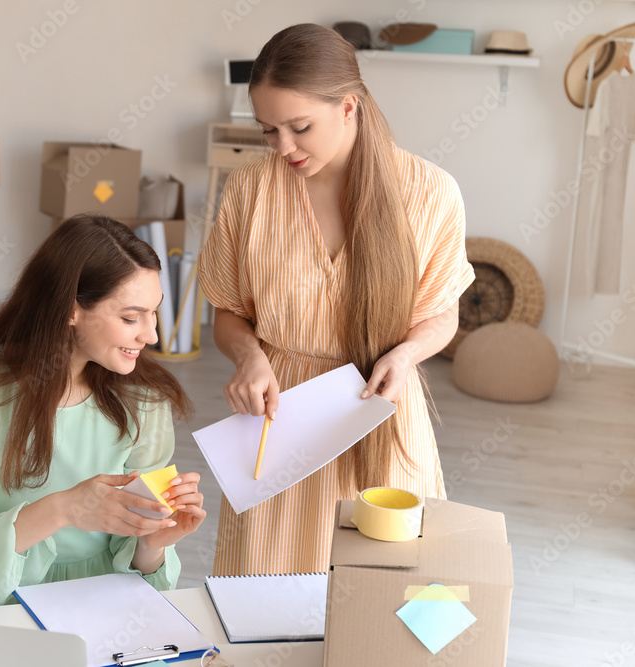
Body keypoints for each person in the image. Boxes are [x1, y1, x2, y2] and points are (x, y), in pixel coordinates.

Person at [198, 24, 474, 576]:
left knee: (382, 594)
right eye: (268, 130)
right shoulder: (250, 191)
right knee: (266, 590)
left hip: (381, 411)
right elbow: (229, 310)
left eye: (299, 127)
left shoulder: (430, 193)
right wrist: (250, 356)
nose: (283, 147)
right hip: (280, 420)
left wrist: (406, 356)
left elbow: (442, 313)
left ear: (348, 106)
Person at [0, 214, 205, 607]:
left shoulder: (145, 397)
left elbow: (141, 572)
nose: (151, 334)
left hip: (100, 608)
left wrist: (152, 543)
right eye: (131, 317)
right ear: (71, 310)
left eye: (153, 312)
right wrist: (63, 509)